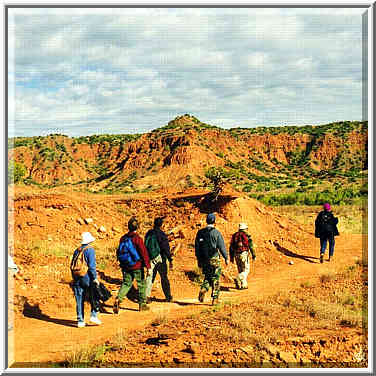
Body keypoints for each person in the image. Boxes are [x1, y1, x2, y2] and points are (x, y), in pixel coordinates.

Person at [113, 217, 151, 313]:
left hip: (126, 265)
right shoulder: (137, 239)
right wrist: (148, 266)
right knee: (141, 284)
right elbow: (144, 253)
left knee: (126, 284)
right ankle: (142, 305)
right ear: (137, 227)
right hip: (137, 266)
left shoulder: (123, 238)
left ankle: (118, 299)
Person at [195, 213, 229, 305]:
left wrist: (198, 259)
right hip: (214, 258)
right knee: (216, 278)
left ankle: (203, 289)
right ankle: (215, 298)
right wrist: (226, 257)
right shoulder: (216, 233)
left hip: (204, 259)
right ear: (214, 221)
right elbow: (221, 246)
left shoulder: (200, 232)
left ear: (206, 221)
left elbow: (197, 247)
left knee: (207, 276)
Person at [71, 232, 101, 328]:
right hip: (86, 277)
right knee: (95, 294)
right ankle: (93, 315)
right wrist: (95, 278)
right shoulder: (90, 250)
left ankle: (80, 320)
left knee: (79, 298)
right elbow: (92, 266)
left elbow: (72, 264)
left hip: (77, 277)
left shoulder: (77, 250)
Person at [144, 217, 173, 303]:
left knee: (149, 277)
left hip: (150, 258)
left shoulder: (149, 233)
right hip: (160, 258)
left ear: (154, 224)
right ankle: (168, 296)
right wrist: (170, 259)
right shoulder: (162, 234)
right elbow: (165, 248)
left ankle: (146, 296)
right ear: (161, 225)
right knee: (164, 277)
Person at [230, 223, 256, 290]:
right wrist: (254, 255)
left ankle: (243, 285)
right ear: (245, 229)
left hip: (236, 254)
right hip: (243, 254)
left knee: (240, 269)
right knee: (246, 270)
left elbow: (231, 247)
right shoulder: (246, 235)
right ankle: (238, 277)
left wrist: (231, 257)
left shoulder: (235, 235)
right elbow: (251, 246)